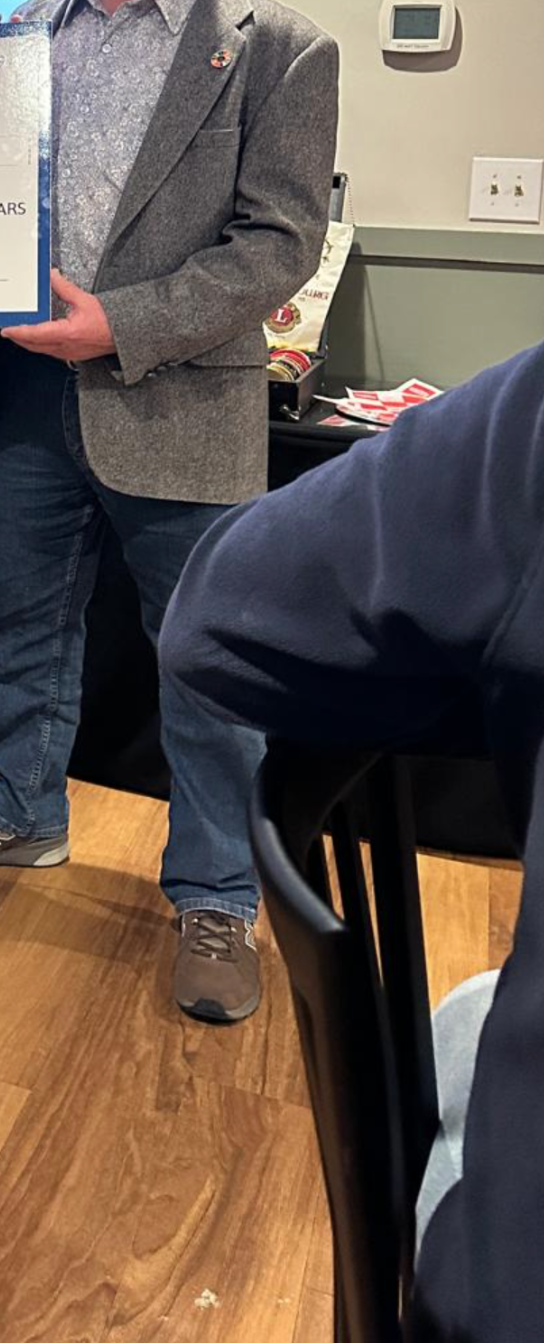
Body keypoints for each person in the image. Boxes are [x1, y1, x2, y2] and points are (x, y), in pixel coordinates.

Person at [0, 0, 339, 1025]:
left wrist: (118, 322)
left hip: (180, 400)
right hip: (27, 394)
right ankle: (18, 806)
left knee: (204, 663)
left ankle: (215, 893)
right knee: (15, 622)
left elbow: (277, 243)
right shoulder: (21, 29)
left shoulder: (278, 46)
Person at [160, 344, 544, 1342]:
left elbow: (219, 621)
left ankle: (210, 897)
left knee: (462, 1010)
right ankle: (15, 803)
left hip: (496, 1292)